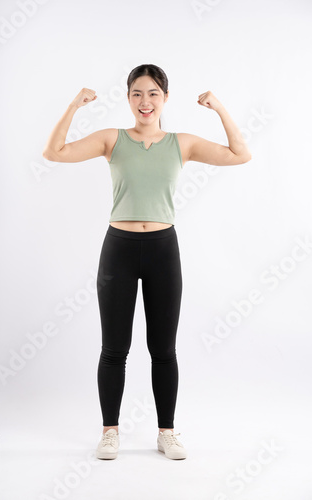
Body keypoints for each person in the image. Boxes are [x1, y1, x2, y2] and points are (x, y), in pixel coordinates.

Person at [42, 63, 252, 461]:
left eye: (153, 93)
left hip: (162, 250)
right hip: (118, 249)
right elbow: (54, 152)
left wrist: (219, 107)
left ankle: (166, 433)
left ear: (165, 98)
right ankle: (109, 431)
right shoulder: (112, 139)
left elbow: (241, 155)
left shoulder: (181, 143)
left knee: (163, 349)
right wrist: (74, 104)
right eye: (137, 93)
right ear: (128, 98)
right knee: (114, 348)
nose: (145, 101)